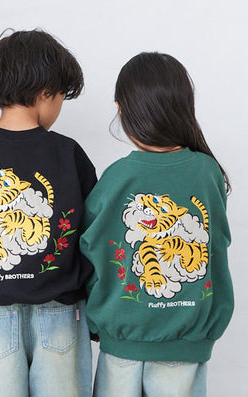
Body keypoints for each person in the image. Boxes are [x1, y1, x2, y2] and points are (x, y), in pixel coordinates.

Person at [0, 29, 97, 397]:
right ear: (46, 92)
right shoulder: (68, 153)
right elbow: (94, 235)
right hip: (59, 311)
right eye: (61, 96)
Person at [80, 52, 234, 397]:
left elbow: (89, 251)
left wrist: (97, 320)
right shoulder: (207, 172)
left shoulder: (117, 177)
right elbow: (218, 246)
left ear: (122, 110)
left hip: (121, 345)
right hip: (187, 345)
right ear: (184, 107)